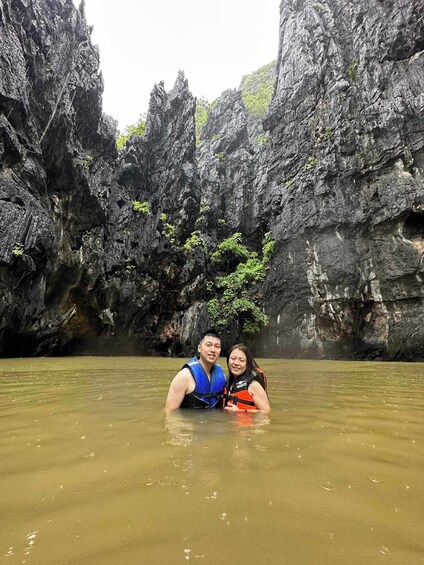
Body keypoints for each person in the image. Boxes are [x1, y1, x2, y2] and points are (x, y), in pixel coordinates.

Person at [165, 329, 226, 411]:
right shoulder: (184, 376)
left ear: (220, 350)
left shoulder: (222, 376)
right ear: (199, 348)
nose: (213, 350)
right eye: (208, 345)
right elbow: (169, 412)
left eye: (217, 346)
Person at [223, 343, 270, 413]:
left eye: (241, 360)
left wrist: (240, 411)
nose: (236, 363)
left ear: (247, 363)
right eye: (233, 358)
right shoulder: (227, 380)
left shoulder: (254, 385)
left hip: (247, 423)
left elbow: (266, 411)